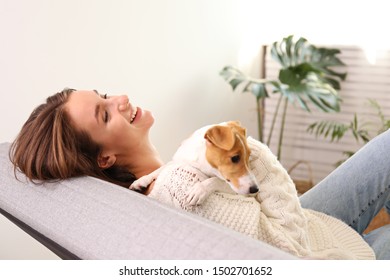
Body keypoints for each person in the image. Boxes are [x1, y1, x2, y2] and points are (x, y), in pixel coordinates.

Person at [9, 88, 390, 259]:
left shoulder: (166, 174)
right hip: (319, 250)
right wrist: (251, 152)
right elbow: (288, 247)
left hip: (310, 221)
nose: (120, 99)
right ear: (105, 158)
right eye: (105, 114)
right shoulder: (178, 190)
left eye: (104, 94)